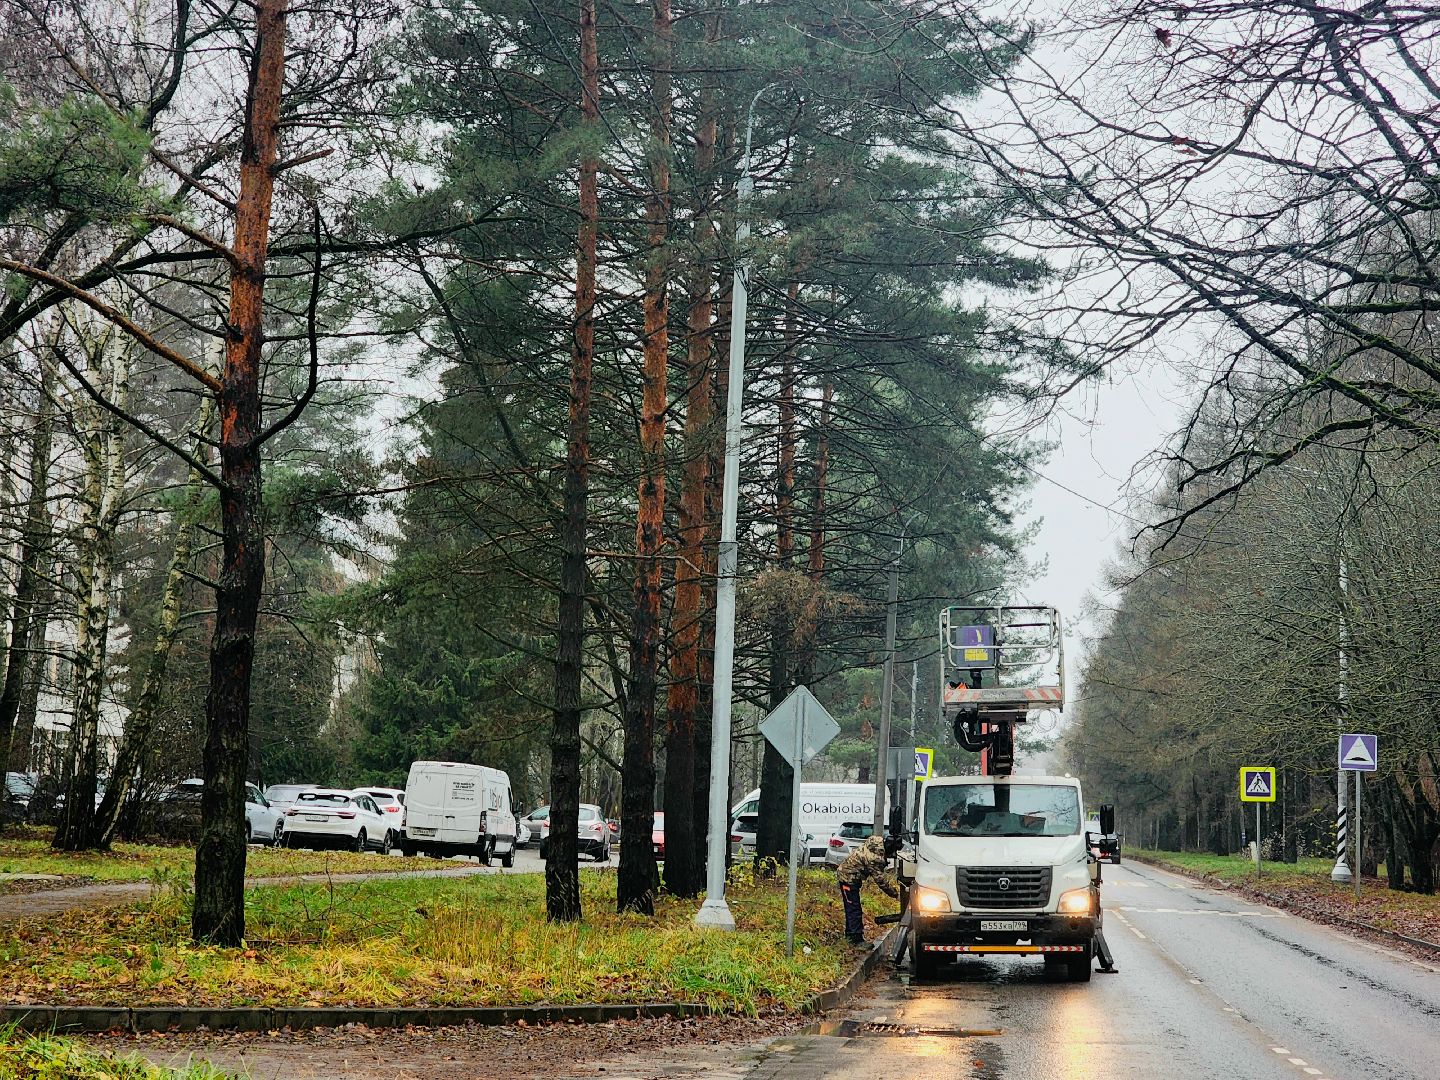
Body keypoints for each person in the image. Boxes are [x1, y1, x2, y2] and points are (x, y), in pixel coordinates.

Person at [837, 833, 899, 945]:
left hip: (849, 875)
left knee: (851, 907)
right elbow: (881, 881)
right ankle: (856, 939)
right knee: (854, 909)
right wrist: (896, 894)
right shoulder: (875, 859)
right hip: (848, 878)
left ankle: (850, 935)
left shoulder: (875, 842)